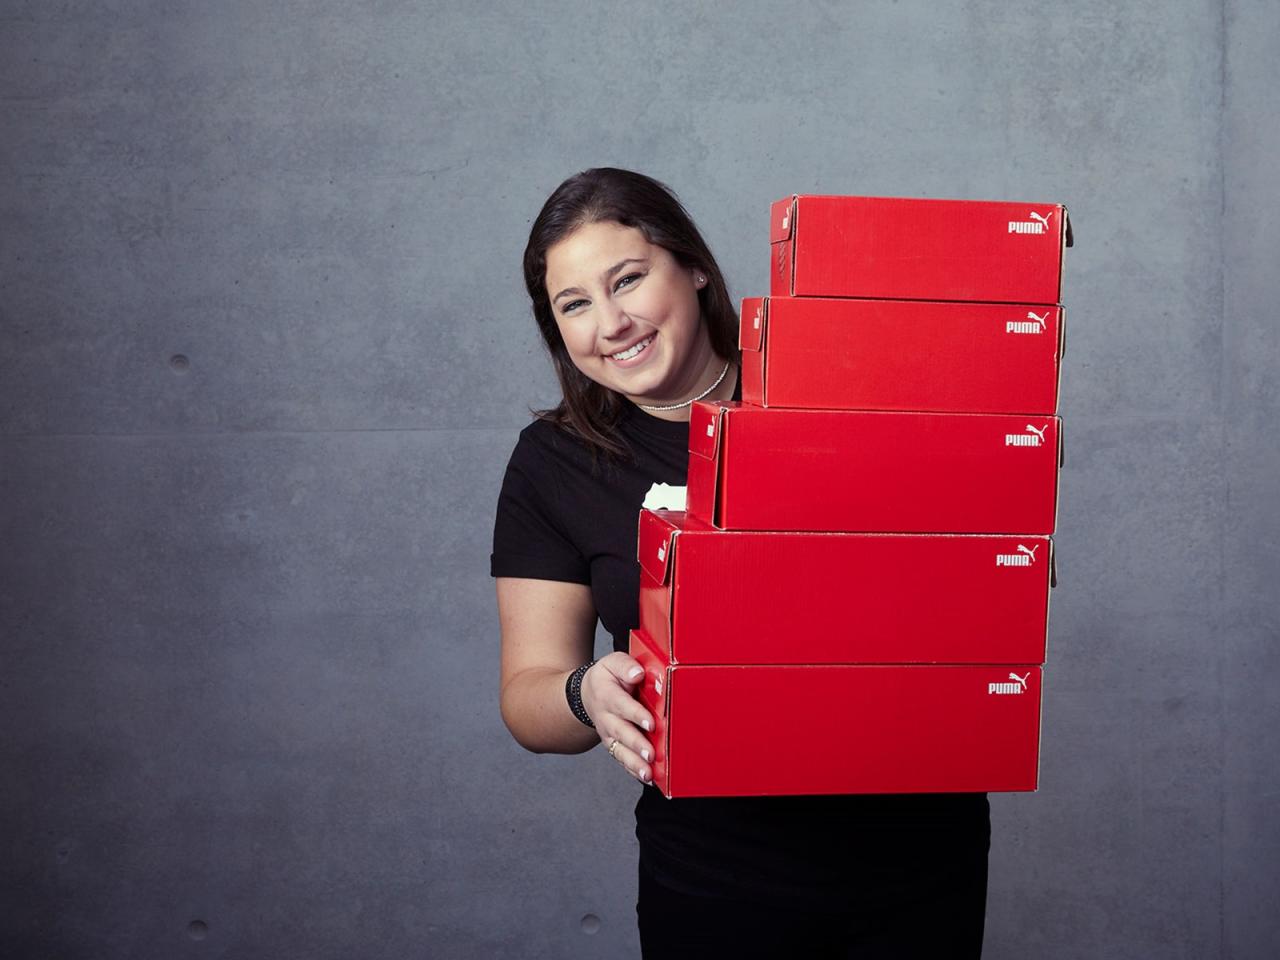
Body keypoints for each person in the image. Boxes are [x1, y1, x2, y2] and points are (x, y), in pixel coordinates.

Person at [491, 167, 990, 958]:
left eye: (629, 280)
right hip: (715, 874)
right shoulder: (555, 464)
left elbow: (963, 566)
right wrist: (585, 693)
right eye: (575, 304)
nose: (611, 323)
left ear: (692, 267)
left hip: (916, 850)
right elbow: (527, 697)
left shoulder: (834, 386)